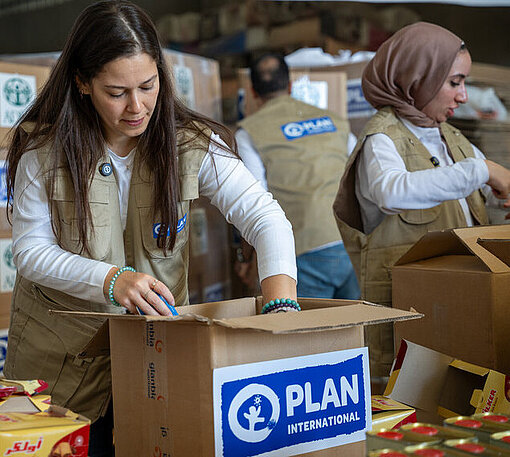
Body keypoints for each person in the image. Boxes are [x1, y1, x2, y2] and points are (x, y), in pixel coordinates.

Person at [4, 2, 298, 455]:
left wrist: (281, 306)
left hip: (155, 356)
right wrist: (110, 280)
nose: (137, 106)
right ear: (82, 83)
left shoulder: (190, 144)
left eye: (148, 85)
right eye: (117, 92)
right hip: (61, 359)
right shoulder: (43, 152)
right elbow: (30, 251)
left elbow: (264, 216)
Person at [333, 21, 510, 378]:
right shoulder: (381, 140)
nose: (463, 96)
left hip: (460, 311)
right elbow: (391, 191)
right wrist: (482, 170)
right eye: (454, 82)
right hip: (410, 328)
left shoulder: (450, 137)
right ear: (417, 78)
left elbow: (466, 207)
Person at [236, 53, 360, 300]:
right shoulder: (335, 121)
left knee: (311, 336)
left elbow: (252, 204)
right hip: (351, 244)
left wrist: (246, 258)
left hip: (303, 250)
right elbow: (359, 177)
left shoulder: (249, 133)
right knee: (356, 333)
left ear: (252, 92)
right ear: (290, 85)